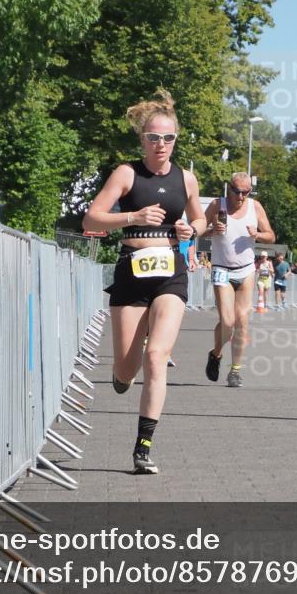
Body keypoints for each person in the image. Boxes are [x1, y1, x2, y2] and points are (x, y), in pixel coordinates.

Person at [83, 89, 206, 474]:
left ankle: (143, 446)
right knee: (127, 369)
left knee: (157, 357)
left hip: (171, 272)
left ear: (176, 140)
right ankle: (121, 376)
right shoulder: (126, 173)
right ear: (142, 140)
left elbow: (200, 220)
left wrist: (191, 229)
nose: (161, 145)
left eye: (168, 138)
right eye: (154, 138)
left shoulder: (186, 179)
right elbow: (91, 220)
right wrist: (132, 217)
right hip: (131, 272)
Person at [204, 172, 276, 387]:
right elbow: (196, 229)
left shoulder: (255, 207)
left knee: (242, 322)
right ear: (229, 189)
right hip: (221, 268)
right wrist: (212, 230)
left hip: (245, 270)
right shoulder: (217, 204)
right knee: (227, 321)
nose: (242, 196)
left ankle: (235, 371)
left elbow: (271, 235)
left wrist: (258, 234)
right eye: (238, 192)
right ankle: (216, 354)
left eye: (246, 192)